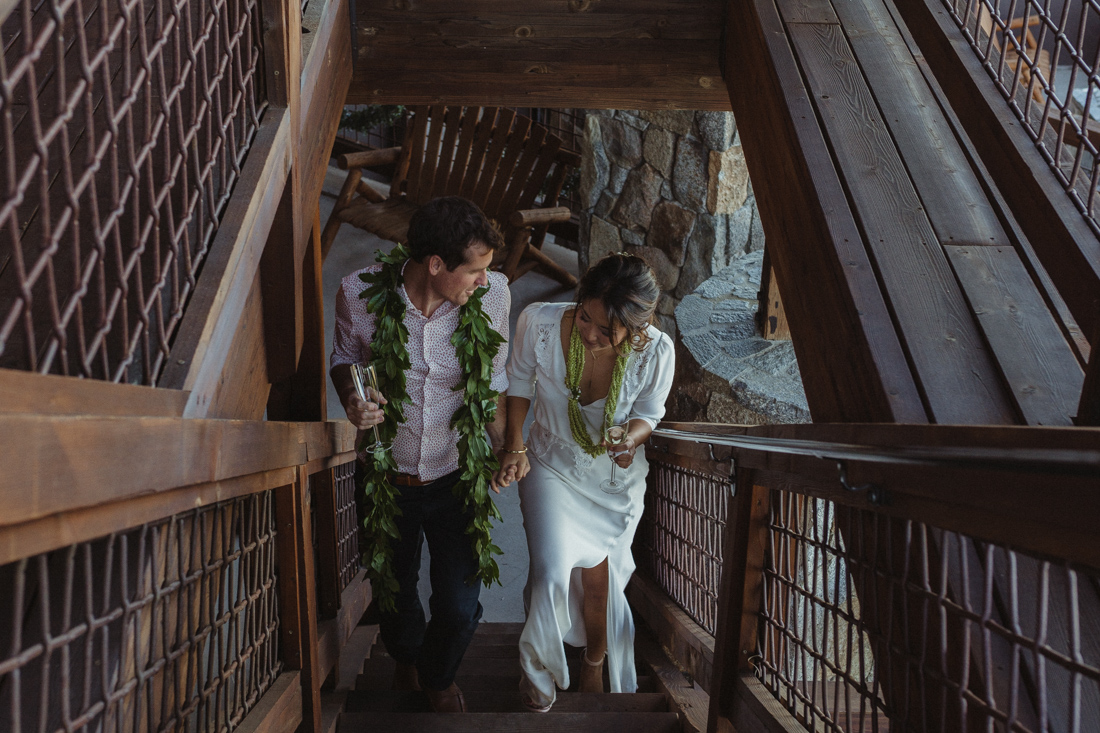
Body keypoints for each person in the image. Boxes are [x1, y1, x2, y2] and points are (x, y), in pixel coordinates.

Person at [329, 196, 511, 713]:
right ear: (435, 264)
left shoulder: (494, 295)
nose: (483, 280)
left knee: (459, 604)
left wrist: (506, 446)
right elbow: (345, 359)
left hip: (457, 473)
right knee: (395, 588)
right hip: (387, 477)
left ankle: (437, 675)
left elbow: (492, 383)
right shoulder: (357, 293)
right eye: (474, 270)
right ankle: (405, 657)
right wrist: (352, 397)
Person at [494, 253, 675, 712]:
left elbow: (649, 413)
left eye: (606, 329)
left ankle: (594, 662)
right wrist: (514, 445)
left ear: (637, 328)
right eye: (586, 316)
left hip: (614, 479)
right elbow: (519, 383)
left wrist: (629, 440)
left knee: (601, 583)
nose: (590, 333)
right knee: (551, 571)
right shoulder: (538, 322)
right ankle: (537, 679)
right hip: (551, 463)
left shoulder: (656, 351)